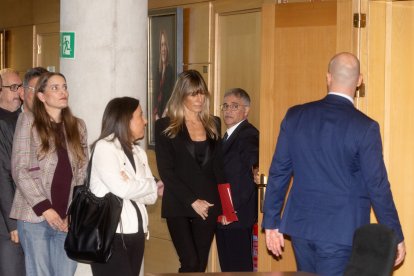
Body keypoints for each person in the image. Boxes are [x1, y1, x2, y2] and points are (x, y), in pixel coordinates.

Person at [262, 52, 406, 276]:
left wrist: (271, 221)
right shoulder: (365, 127)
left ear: (328, 77)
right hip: (341, 231)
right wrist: (395, 234)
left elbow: (279, 172)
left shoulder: (296, 116)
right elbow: (377, 186)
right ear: (359, 80)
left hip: (300, 228)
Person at [10, 72, 89, 276]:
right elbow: (20, 169)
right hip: (35, 216)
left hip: (67, 219)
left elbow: (81, 172)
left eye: (64, 86)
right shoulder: (28, 121)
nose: (63, 91)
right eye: (55, 88)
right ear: (41, 96)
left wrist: (73, 212)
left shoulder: (78, 126)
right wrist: (46, 208)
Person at [155, 70, 224, 272]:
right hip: (179, 202)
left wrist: (227, 206)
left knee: (199, 265)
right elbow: (166, 171)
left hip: (209, 204)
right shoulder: (165, 126)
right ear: (181, 95)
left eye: (202, 93)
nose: (199, 98)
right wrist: (192, 201)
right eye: (194, 93)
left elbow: (219, 168)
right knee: (190, 262)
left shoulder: (214, 124)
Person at [89, 97, 160, 276]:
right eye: (140, 116)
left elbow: (152, 196)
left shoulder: (139, 152)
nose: (145, 121)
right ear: (125, 120)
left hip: (136, 233)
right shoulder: (104, 147)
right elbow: (122, 189)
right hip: (110, 235)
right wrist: (147, 184)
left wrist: (134, 184)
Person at [0, 67, 47, 276]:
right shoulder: (6, 124)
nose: (18, 92)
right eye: (13, 87)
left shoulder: (36, 122)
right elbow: (4, 175)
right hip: (9, 219)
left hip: (39, 219)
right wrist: (13, 223)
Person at [216, 88, 259, 272]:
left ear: (246, 110)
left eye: (234, 106)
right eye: (225, 106)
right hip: (223, 215)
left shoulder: (248, 134)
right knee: (227, 268)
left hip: (237, 216)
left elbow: (253, 170)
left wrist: (231, 211)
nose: (228, 111)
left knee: (239, 269)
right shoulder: (225, 137)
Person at [153, 29, 174, 121]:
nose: (164, 48)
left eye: (165, 44)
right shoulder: (157, 70)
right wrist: (155, 114)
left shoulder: (171, 70)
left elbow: (172, 95)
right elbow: (154, 95)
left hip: (167, 116)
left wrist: (164, 115)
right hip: (156, 116)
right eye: (162, 45)